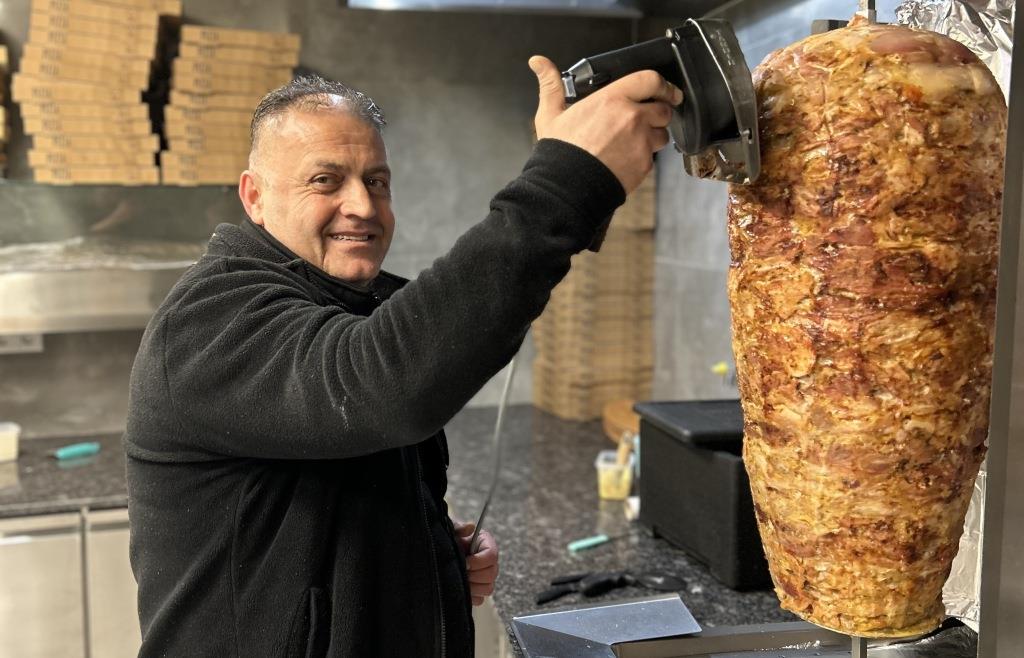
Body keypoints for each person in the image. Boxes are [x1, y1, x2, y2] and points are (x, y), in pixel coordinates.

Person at [124, 55, 680, 657]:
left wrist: (429, 552)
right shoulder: (211, 318)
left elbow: (331, 477)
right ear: (254, 197)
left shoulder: (354, 305)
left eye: (377, 181)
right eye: (325, 180)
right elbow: (378, 387)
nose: (362, 206)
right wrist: (567, 178)